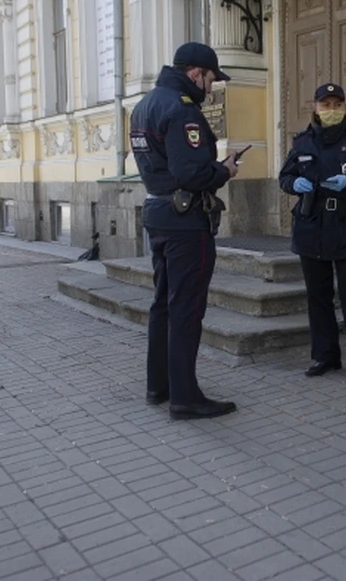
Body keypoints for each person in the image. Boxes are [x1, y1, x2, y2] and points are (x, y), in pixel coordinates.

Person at [129, 42, 243, 420]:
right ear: (196, 73)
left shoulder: (144, 105)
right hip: (185, 221)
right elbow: (191, 172)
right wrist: (224, 170)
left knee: (163, 304)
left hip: (158, 212)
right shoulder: (182, 109)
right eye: (210, 80)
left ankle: (159, 386)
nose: (210, 88)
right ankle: (185, 397)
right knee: (186, 308)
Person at [279, 83, 346, 377]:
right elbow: (285, 177)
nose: (332, 110)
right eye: (326, 105)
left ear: (344, 107)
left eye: (337, 105)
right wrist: (293, 184)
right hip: (311, 226)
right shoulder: (302, 142)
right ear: (315, 108)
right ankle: (324, 357)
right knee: (318, 297)